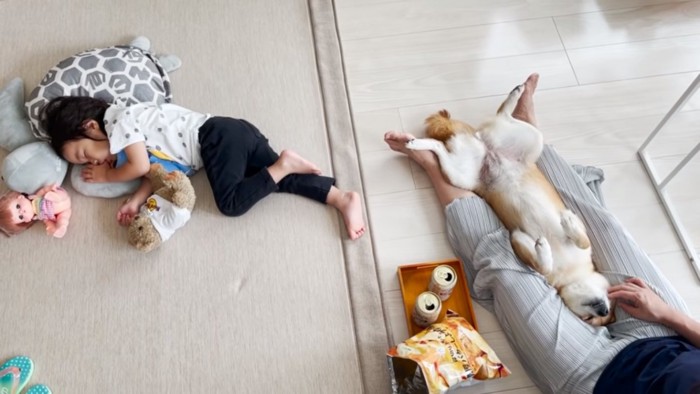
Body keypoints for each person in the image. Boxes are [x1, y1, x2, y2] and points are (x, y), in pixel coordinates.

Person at [384, 73, 700, 394]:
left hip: (594, 376)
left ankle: (435, 164)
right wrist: (669, 315)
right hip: (665, 336)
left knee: (507, 269)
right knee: (592, 225)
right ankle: (528, 136)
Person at [40, 96, 365, 240]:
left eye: (84, 154)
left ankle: (283, 165)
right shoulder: (130, 140)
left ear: (91, 125)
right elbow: (154, 170)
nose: (92, 163)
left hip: (215, 140)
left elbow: (139, 165)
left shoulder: (120, 121)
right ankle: (340, 197)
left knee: (232, 204)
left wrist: (108, 175)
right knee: (271, 180)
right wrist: (137, 200)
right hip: (233, 133)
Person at [0, 184, 72, 238]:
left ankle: (56, 197)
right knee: (63, 218)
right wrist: (50, 225)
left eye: (18, 207)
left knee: (58, 195)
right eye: (21, 217)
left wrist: (49, 189)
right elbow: (46, 219)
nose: (22, 211)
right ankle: (61, 227)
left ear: (21, 198)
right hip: (62, 211)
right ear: (27, 220)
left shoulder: (35, 198)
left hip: (58, 198)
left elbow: (43, 190)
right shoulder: (38, 216)